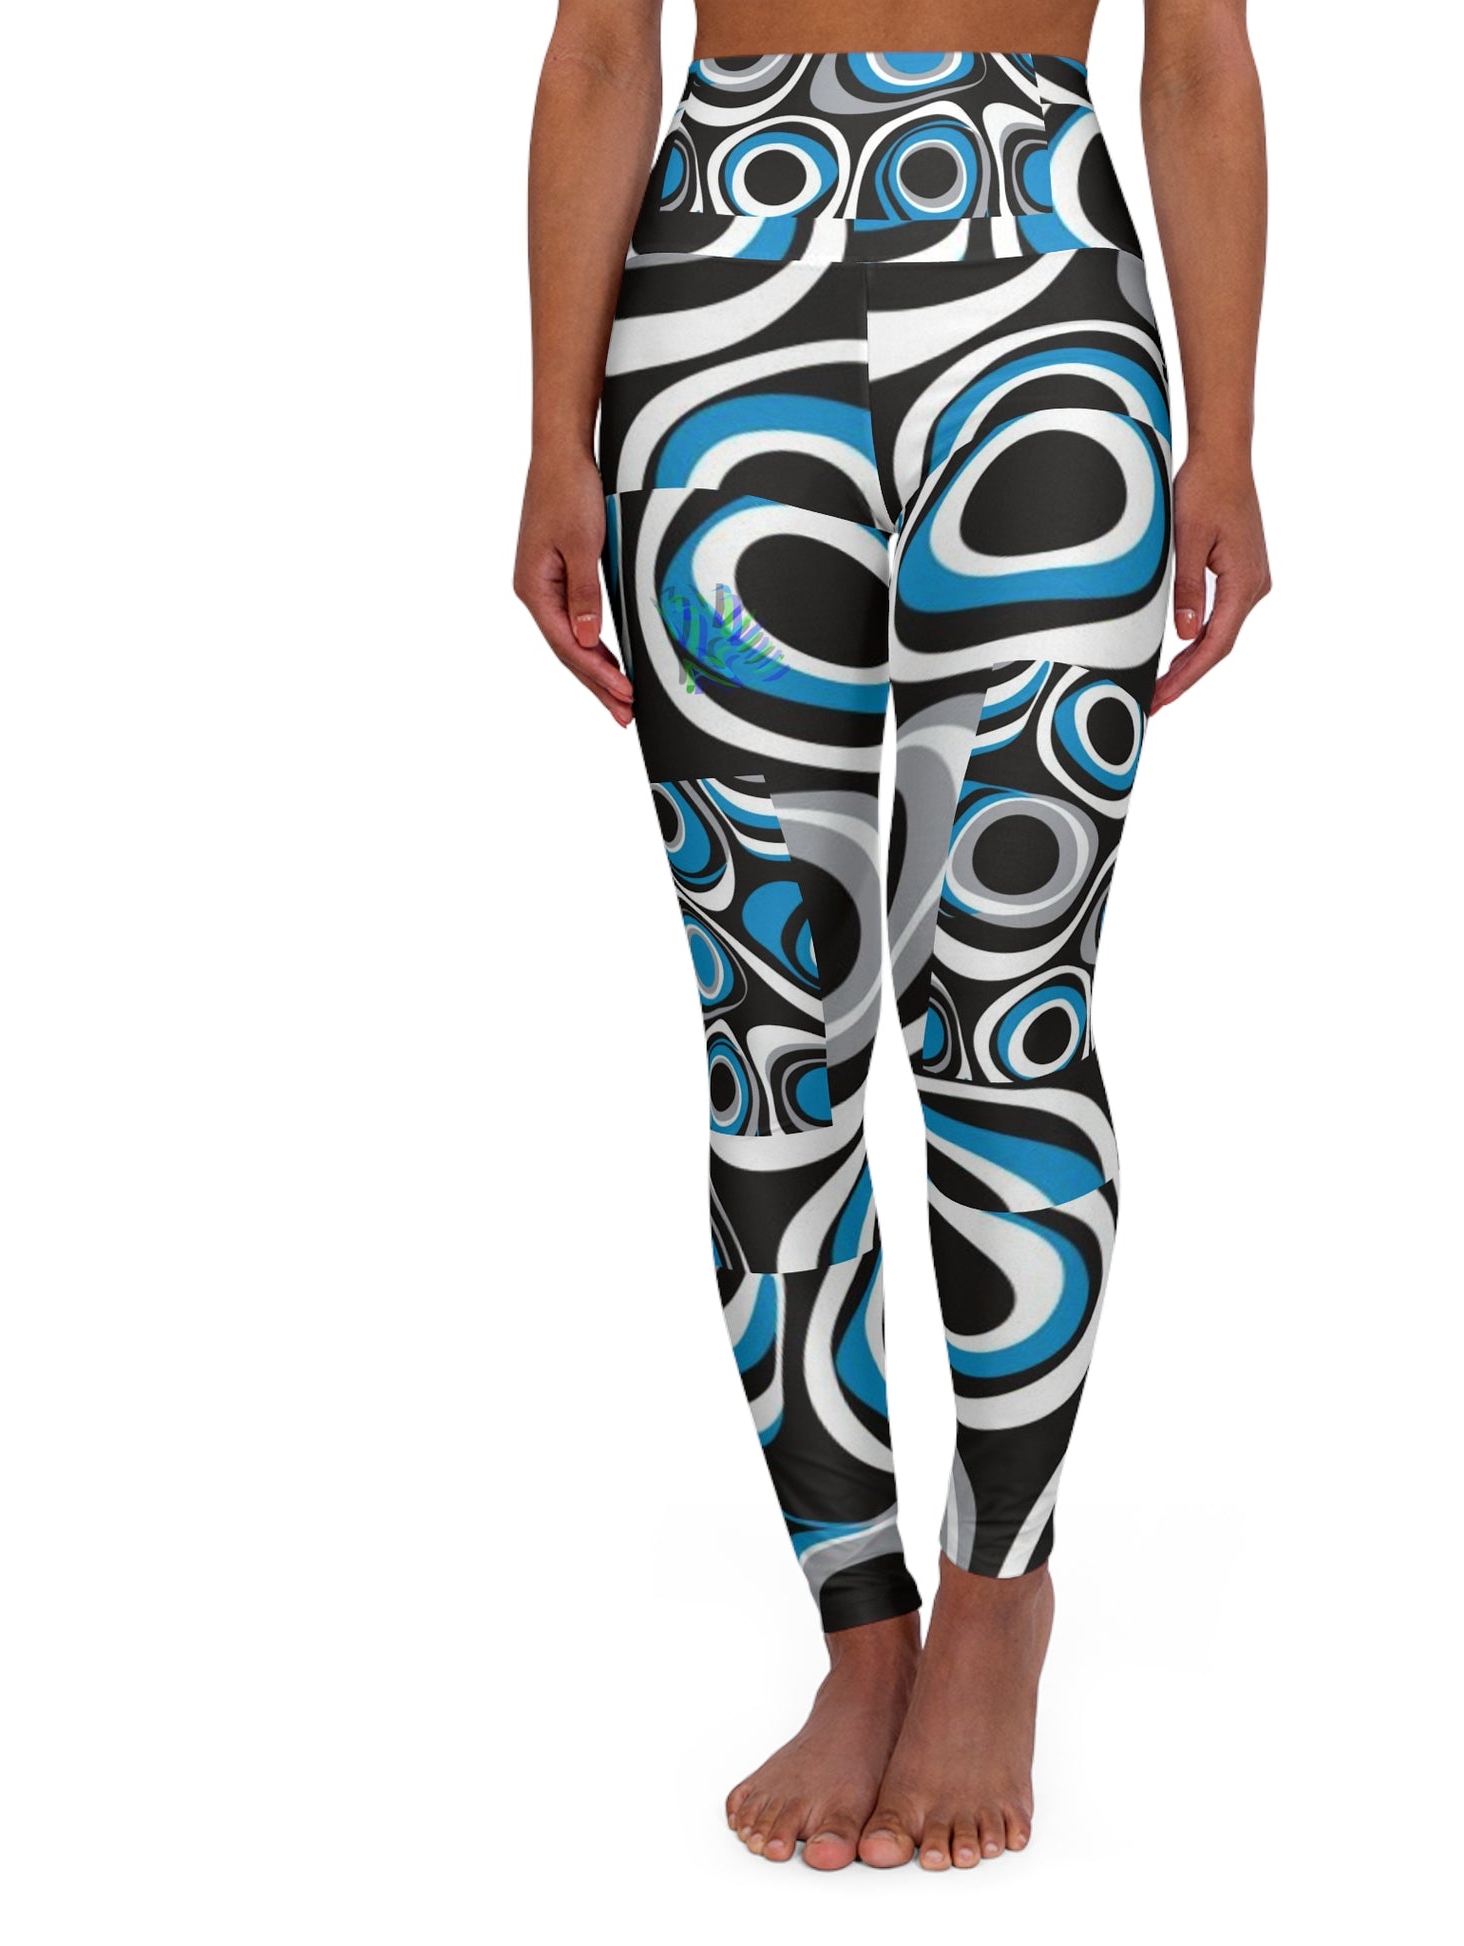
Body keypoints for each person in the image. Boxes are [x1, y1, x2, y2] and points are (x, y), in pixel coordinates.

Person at [513, 0, 1270, 1873]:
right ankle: (861, 1627)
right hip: (710, 302)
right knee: (772, 1019)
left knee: (1006, 1000)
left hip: (1040, 307)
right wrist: (547, 435)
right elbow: (601, 46)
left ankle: (997, 1597)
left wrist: (1228, 441)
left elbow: (1193, 57)